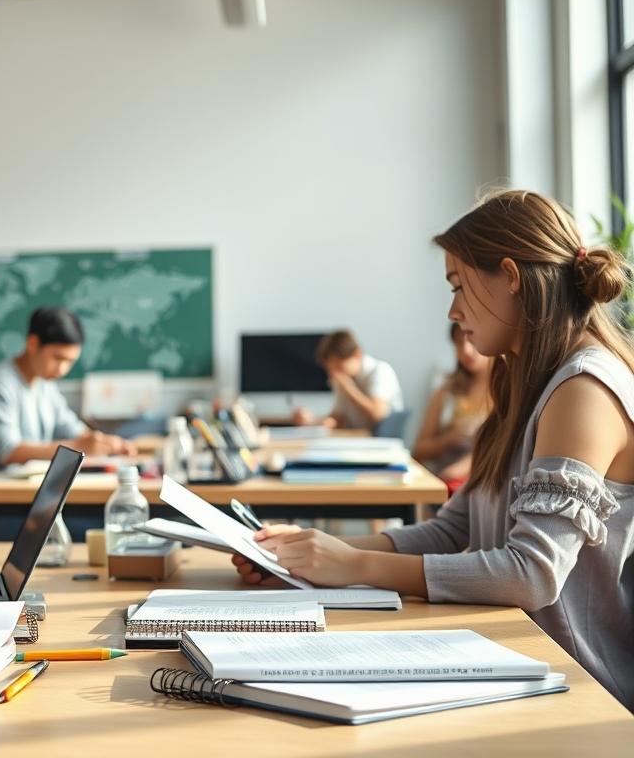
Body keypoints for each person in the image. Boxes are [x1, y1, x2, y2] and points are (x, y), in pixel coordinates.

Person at [236, 190, 634, 712]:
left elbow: (532, 574)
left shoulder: (584, 390)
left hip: (581, 692)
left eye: (458, 286)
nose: (453, 310)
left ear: (510, 276)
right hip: (514, 663)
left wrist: (356, 565)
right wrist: (312, 553)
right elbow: (453, 529)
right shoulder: (522, 381)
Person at [0, 306, 132, 473]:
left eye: (70, 362)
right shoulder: (0, 380)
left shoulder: (45, 384)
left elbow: (72, 429)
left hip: (33, 484)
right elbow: (7, 451)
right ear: (33, 344)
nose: (62, 370)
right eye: (58, 358)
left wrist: (104, 443)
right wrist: (78, 446)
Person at [412, 322, 491, 492]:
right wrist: (449, 438)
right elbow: (418, 450)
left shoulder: (506, 392)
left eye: (472, 340)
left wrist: (457, 471)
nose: (466, 351)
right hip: (443, 483)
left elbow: (496, 452)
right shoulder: (446, 392)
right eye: (458, 343)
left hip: (479, 486)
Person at [293, 329, 405, 431]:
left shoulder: (380, 371)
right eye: (330, 370)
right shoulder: (341, 379)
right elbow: (338, 419)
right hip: (356, 439)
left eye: (339, 367)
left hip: (381, 442)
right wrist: (312, 421)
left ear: (357, 354)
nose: (334, 375)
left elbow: (378, 414)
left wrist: (348, 388)